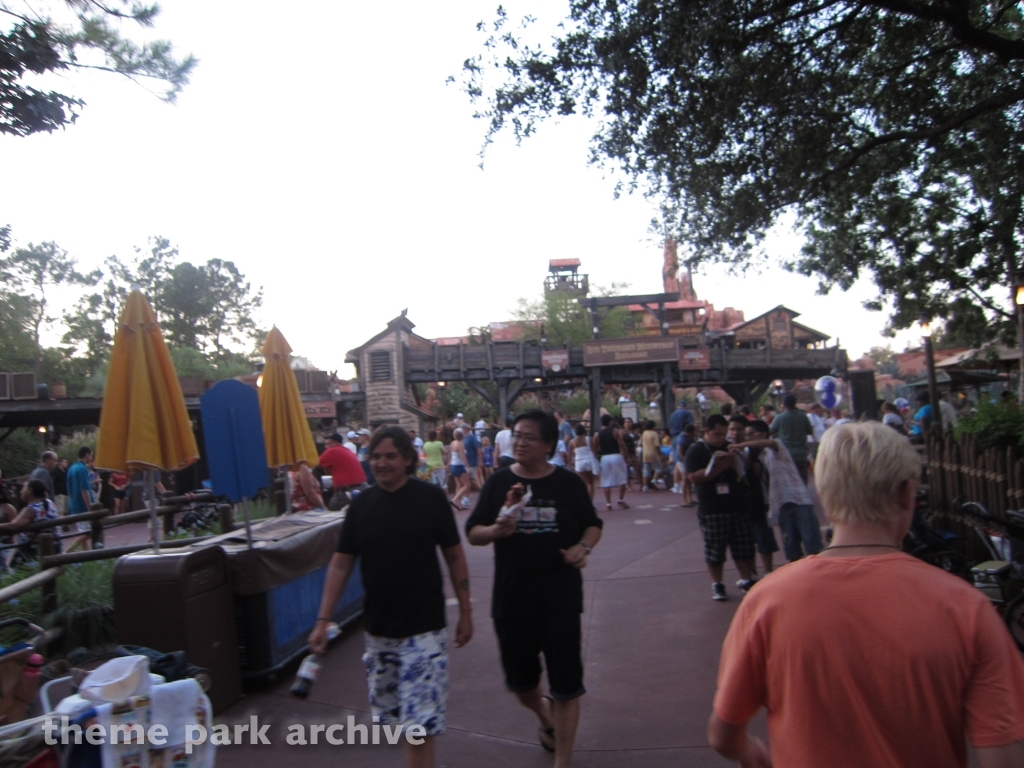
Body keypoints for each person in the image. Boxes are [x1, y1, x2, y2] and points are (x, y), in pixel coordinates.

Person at [709, 421, 1024, 768]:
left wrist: (748, 749)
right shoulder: (966, 607)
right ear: (906, 493)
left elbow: (723, 734)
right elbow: (1003, 754)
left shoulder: (767, 600)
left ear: (824, 493)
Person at [309, 427, 472, 768]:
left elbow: (454, 555)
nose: (382, 463)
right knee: (394, 720)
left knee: (419, 725)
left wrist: (466, 612)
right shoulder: (361, 506)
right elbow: (341, 564)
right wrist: (323, 619)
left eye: (391, 456)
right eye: (376, 457)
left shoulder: (430, 499)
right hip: (380, 630)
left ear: (409, 459)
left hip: (424, 628)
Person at [466, 410, 603, 768]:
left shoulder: (569, 483)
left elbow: (593, 526)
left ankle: (562, 761)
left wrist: (583, 548)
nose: (520, 442)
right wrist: (495, 531)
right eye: (517, 435)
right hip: (512, 598)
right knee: (522, 685)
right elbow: (472, 533)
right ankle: (545, 719)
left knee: (567, 684)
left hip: (560, 597)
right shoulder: (498, 483)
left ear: (548, 446)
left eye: (529, 437)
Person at [685, 414, 757, 601]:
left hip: (737, 503)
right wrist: (717, 469)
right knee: (715, 548)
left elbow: (747, 470)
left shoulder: (730, 447)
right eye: (717, 434)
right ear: (707, 431)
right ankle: (717, 583)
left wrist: (739, 458)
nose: (721, 438)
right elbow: (693, 476)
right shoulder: (697, 450)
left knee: (743, 546)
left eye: (724, 434)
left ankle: (746, 579)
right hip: (713, 507)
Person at [731, 420, 821, 564]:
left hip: (798, 500)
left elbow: (768, 443)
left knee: (812, 545)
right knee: (791, 549)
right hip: (781, 505)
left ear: (762, 434)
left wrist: (740, 445)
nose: (747, 438)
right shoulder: (760, 457)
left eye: (750, 434)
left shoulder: (776, 445)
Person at [733, 421, 779, 575]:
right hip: (747, 500)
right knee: (748, 540)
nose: (737, 433)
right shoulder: (742, 451)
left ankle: (768, 570)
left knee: (764, 536)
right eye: (733, 429)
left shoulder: (769, 451)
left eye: (745, 432)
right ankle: (752, 572)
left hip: (762, 499)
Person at [0, 479, 61, 557]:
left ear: (30, 491)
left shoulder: (31, 509)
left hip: (36, 549)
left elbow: (14, 525)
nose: (21, 491)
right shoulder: (49, 502)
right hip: (55, 544)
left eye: (23, 488)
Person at [769, 394, 814, 483]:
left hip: (786, 453)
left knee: (789, 481)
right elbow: (809, 431)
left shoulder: (780, 417)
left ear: (784, 404)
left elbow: (770, 431)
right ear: (795, 403)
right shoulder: (802, 416)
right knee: (802, 480)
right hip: (801, 454)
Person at [319, 433, 368, 510]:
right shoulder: (346, 450)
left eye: (328, 443)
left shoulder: (332, 451)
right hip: (362, 486)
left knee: (331, 512)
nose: (325, 446)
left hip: (348, 490)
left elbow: (314, 463)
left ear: (335, 443)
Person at [592, 414, 630, 510]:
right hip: (616, 455)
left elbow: (594, 446)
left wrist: (596, 456)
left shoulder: (597, 434)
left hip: (604, 457)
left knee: (605, 481)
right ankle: (620, 499)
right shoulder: (615, 432)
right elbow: (622, 444)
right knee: (622, 477)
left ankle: (608, 503)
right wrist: (626, 455)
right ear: (610, 422)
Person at [66, 446, 97, 552]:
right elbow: (84, 489)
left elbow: (69, 490)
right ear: (87, 455)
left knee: (82, 532)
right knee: (88, 533)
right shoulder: (83, 469)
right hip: (82, 506)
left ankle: (87, 557)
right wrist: (89, 507)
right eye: (91, 455)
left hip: (74, 504)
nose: (91, 457)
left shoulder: (71, 468)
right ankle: (66, 552)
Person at [567, 424, 597, 500]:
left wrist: (569, 463)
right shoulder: (589, 439)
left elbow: (569, 455)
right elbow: (594, 451)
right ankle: (590, 501)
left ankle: (583, 501)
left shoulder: (572, 442)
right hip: (588, 460)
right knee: (591, 483)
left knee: (582, 484)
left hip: (579, 462)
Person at [448, 428, 471, 508]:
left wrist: (448, 465)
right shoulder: (460, 444)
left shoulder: (452, 443)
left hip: (453, 464)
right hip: (459, 465)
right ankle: (454, 499)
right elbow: (462, 456)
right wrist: (467, 467)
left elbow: (450, 455)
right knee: (467, 485)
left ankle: (458, 504)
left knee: (458, 485)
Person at [641, 420, 662, 492]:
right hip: (653, 453)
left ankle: (645, 486)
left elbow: (640, 443)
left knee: (646, 471)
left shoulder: (644, 433)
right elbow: (657, 445)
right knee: (658, 468)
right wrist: (659, 453)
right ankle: (654, 480)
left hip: (645, 454)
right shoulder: (654, 433)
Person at [462, 426, 482, 490]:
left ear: (466, 429)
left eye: (463, 428)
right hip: (465, 462)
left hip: (472, 461)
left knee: (474, 478)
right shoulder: (462, 438)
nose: (462, 429)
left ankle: (482, 489)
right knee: (468, 479)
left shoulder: (472, 437)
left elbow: (478, 449)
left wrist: (480, 460)